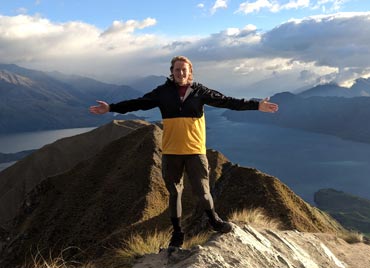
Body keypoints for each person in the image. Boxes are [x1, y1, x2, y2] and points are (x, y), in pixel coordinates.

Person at [89, 56, 278, 251]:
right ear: (172, 72)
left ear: (190, 72)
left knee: (203, 191)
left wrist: (256, 105)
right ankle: (178, 233)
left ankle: (215, 221)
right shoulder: (162, 93)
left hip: (195, 150)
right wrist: (111, 108)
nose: (180, 73)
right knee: (174, 193)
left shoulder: (200, 92)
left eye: (184, 70)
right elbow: (138, 103)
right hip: (171, 152)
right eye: (177, 70)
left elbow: (227, 102)